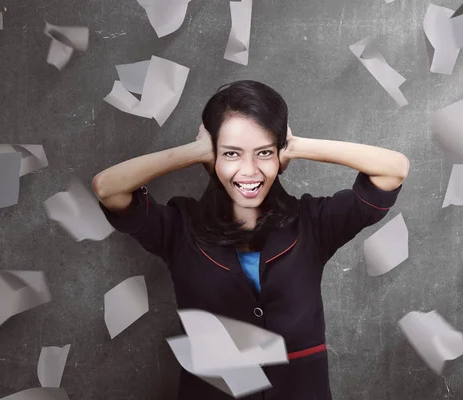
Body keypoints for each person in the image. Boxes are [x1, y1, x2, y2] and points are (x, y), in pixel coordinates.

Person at [93, 80, 409, 400]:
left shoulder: (312, 223)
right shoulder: (180, 228)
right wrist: (196, 151)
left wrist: (295, 145)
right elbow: (107, 188)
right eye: (231, 153)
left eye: (264, 153)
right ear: (213, 156)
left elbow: (393, 169)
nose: (249, 171)